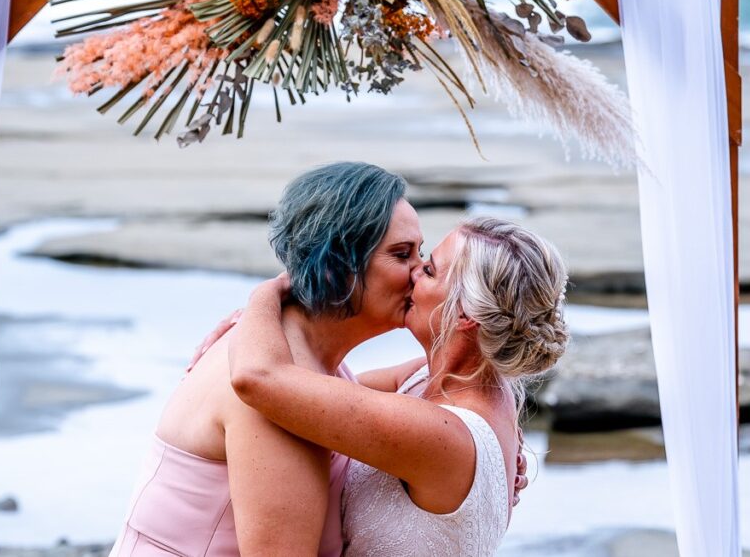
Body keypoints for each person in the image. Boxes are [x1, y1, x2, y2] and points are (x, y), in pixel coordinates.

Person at [107, 162, 427, 556]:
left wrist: (481, 424)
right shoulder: (279, 391)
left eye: (420, 253)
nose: (420, 273)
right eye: (401, 254)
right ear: (341, 264)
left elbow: (384, 388)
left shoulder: (298, 351)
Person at [229, 217, 570, 555]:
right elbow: (319, 390)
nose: (414, 271)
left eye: (431, 271)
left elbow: (258, 378)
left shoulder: (443, 435)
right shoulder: (437, 379)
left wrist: (267, 296)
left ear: (467, 314)